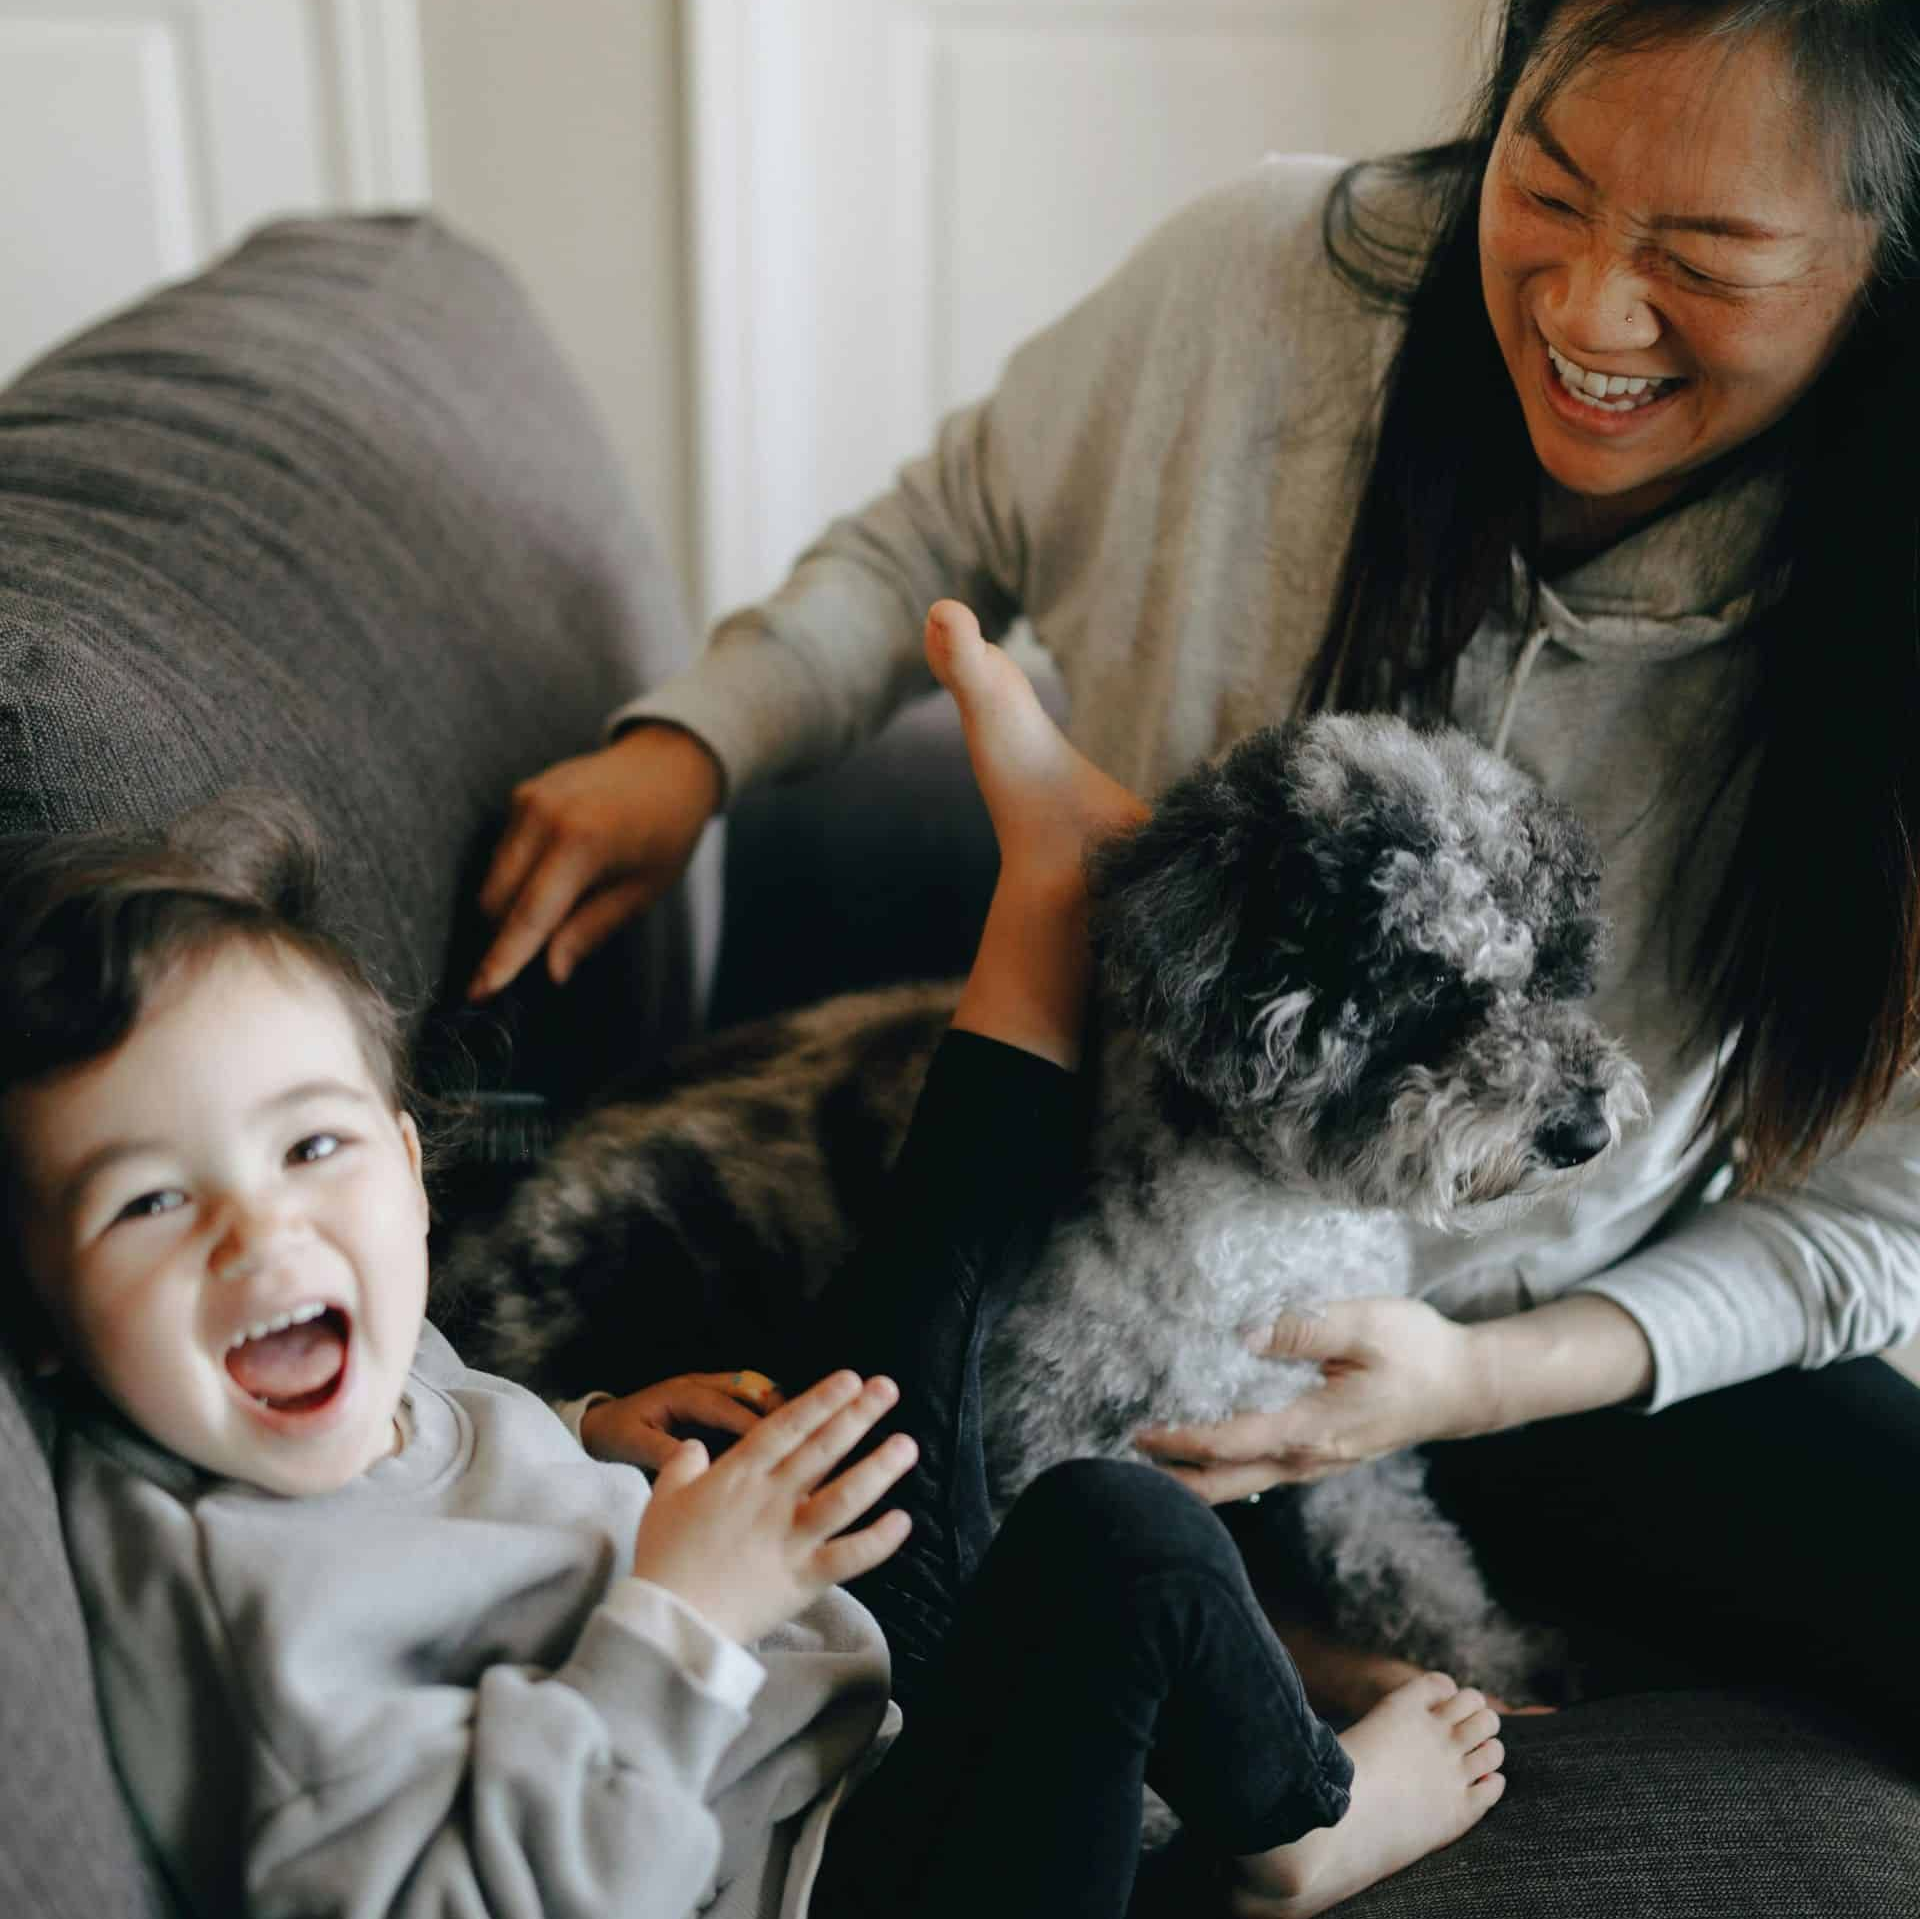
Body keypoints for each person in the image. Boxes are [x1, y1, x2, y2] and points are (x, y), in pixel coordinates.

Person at [468, 0, 1920, 1761]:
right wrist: (689, 750)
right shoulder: (1260, 289)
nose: (1588, 309)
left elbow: (1876, 1225)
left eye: (1708, 260)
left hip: (1563, 1339)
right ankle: (1268, 1658)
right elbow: (948, 524)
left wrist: (1472, 1380)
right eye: (1545, 185)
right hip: (1139, 1226)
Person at [0, 603, 1506, 1919]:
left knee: (899, 1325)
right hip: (847, 1880)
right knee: (1122, 1540)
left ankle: (1047, 892)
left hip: (825, 1708)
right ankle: (1301, 1826)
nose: (260, 1232)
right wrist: (679, 1619)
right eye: (146, 1203)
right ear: (46, 1310)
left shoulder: (333, 1349)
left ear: (406, 1171)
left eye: (311, 1147)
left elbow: (431, 1426)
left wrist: (585, 1428)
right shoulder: (228, 1591)